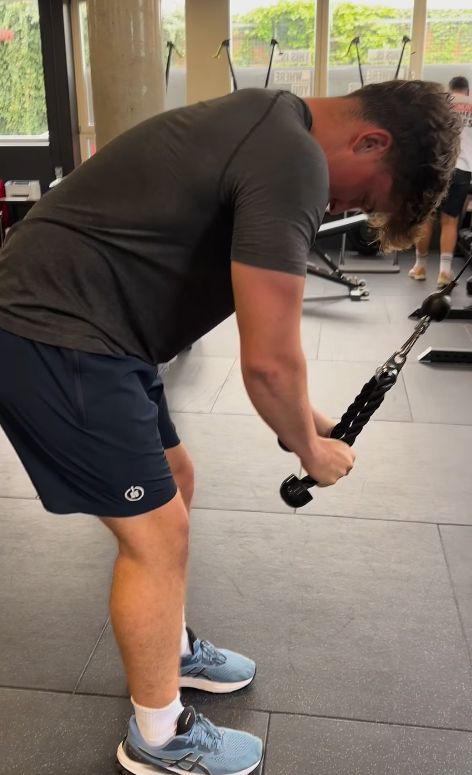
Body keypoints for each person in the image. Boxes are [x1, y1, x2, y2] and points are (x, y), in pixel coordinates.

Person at [0, 81, 460, 775]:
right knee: (156, 536)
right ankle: (160, 737)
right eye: (361, 197)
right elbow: (269, 362)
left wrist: (307, 421)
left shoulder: (272, 124)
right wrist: (309, 448)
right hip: (55, 330)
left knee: (176, 480)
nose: (340, 210)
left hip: (104, 330)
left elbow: (275, 367)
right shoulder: (293, 157)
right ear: (371, 141)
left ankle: (171, 648)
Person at [409, 76, 472, 288]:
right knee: (450, 220)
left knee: (426, 217)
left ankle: (420, 267)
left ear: (450, 88)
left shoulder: (441, 102)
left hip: (437, 166)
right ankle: (444, 273)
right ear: (467, 91)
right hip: (463, 169)